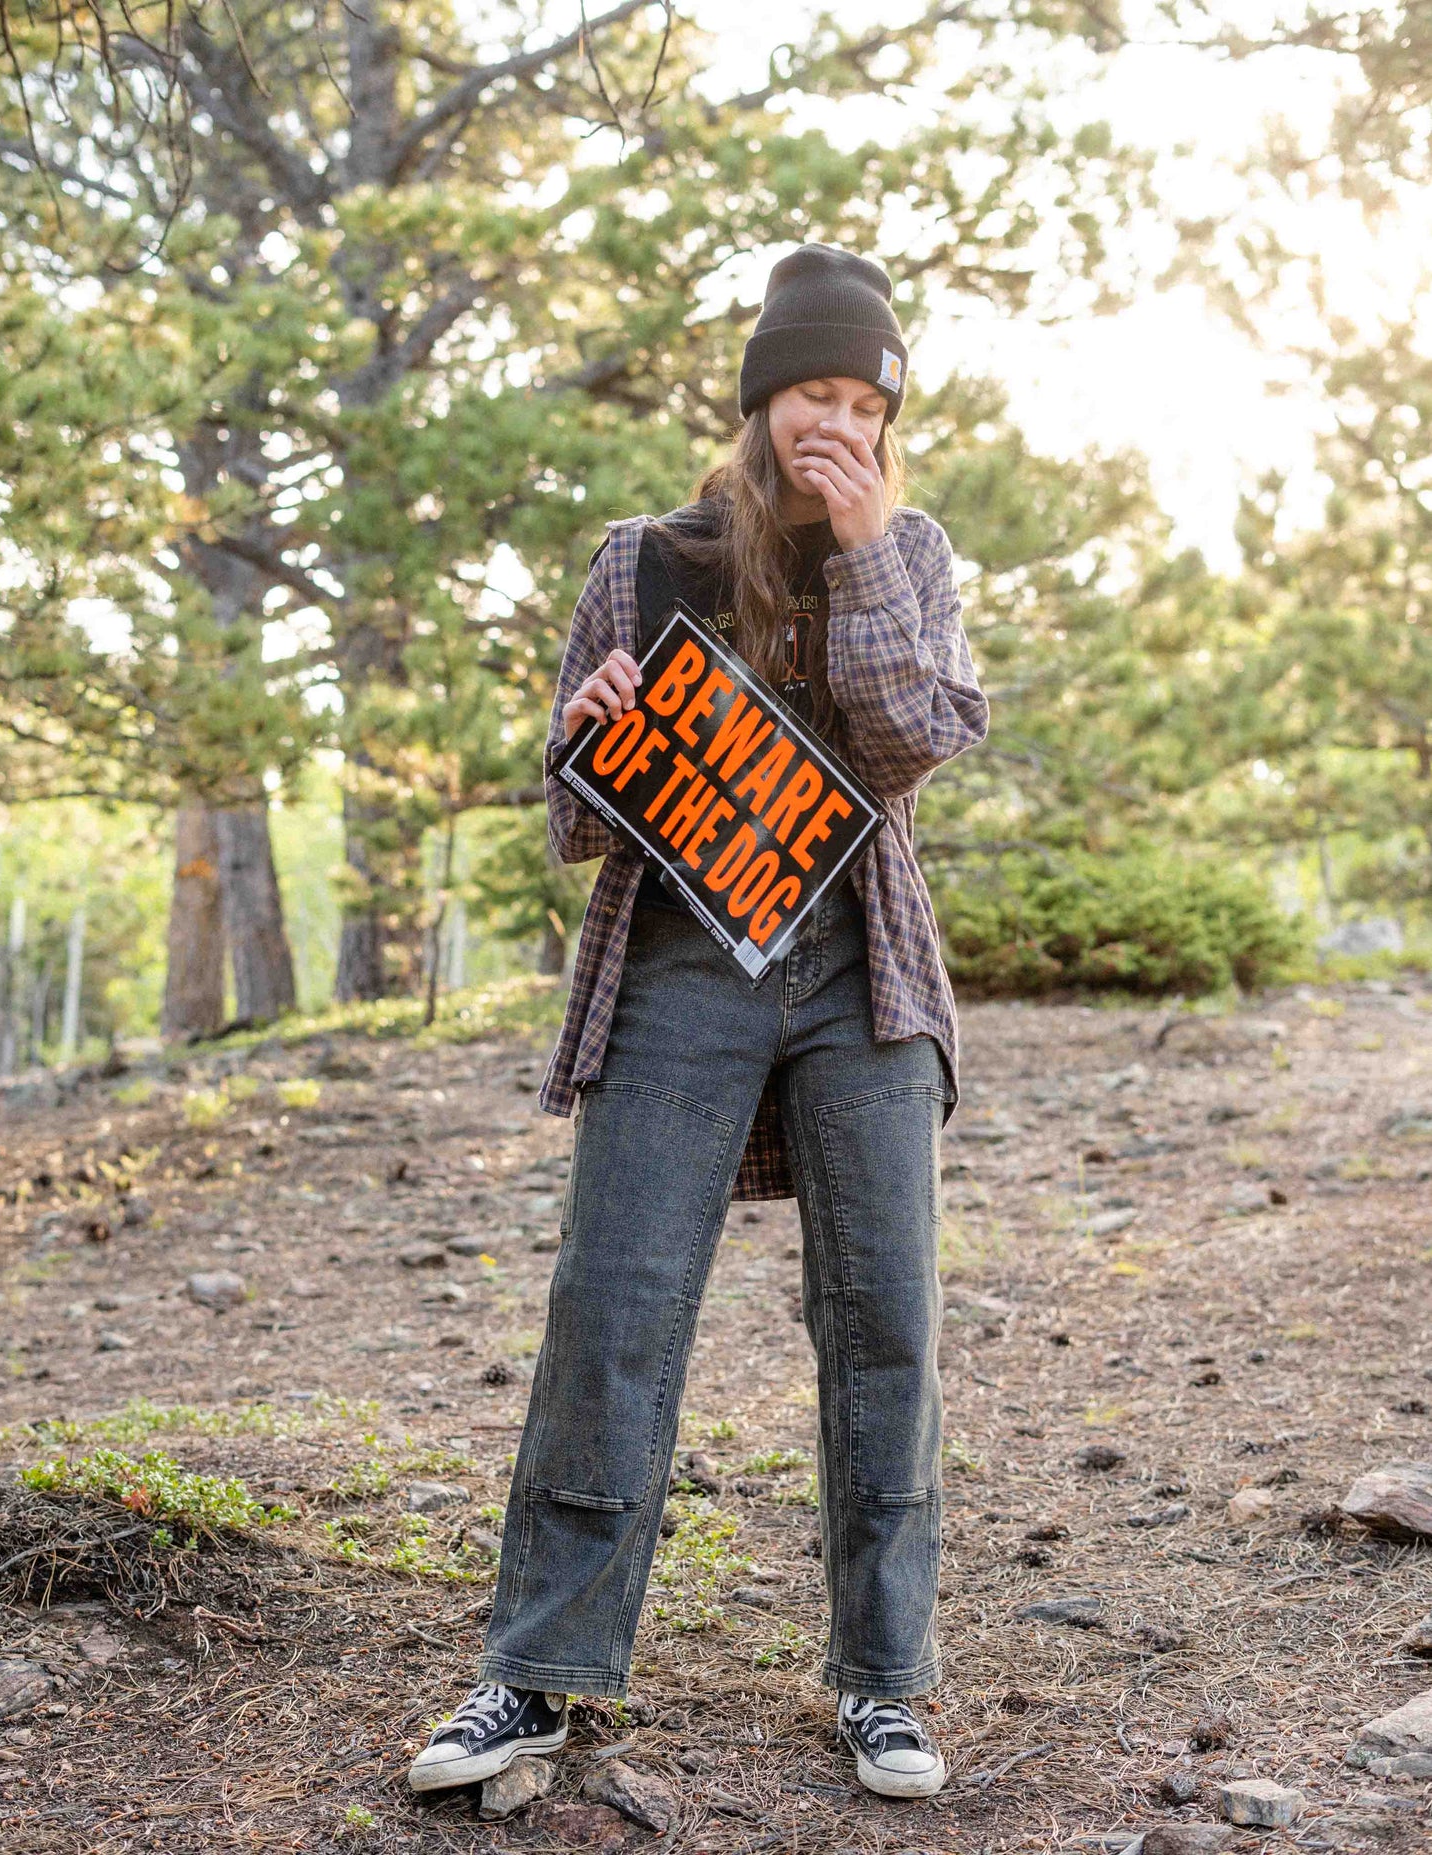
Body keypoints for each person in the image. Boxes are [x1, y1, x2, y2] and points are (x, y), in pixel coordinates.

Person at [408, 244, 989, 1802]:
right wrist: (591, 745)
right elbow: (579, 816)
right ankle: (535, 1676)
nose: (840, 422)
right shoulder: (643, 556)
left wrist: (865, 546)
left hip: (859, 970)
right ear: (760, 398)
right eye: (816, 391)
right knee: (616, 1306)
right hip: (677, 965)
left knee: (885, 1330)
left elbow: (916, 741)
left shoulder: (913, 551)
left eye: (869, 402)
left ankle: (882, 1682)